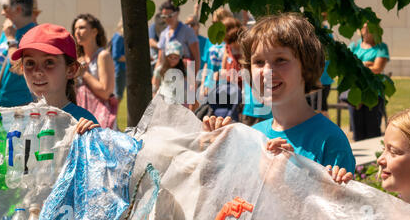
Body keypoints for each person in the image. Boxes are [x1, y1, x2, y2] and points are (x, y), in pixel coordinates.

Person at [203, 13, 356, 173]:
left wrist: (295, 172)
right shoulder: (254, 136)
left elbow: (334, 197)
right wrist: (216, 153)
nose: (268, 71)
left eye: (281, 60)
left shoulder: (330, 141)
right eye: (259, 62)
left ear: (306, 66)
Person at [10, 23, 99, 134]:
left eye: (49, 62)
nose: (37, 71)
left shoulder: (82, 122)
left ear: (71, 70)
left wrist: (90, 136)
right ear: (22, 68)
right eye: (30, 63)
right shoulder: (20, 120)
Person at [71, 13, 117, 129]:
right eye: (75, 29)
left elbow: (106, 91)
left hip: (100, 116)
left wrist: (84, 74)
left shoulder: (103, 56)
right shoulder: (79, 59)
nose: (77, 32)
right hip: (81, 115)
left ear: (94, 31)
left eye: (81, 28)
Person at [347, 22, 389, 141]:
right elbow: (347, 66)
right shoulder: (354, 45)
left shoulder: (381, 47)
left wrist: (359, 64)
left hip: (373, 91)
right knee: (357, 131)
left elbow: (377, 69)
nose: (367, 30)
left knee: (372, 130)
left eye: (370, 27)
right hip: (355, 91)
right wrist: (366, 64)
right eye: (365, 27)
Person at [0, 0, 35, 107]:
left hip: (22, 106)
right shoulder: (7, 32)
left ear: (18, 9)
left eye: (5, 8)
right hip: (0, 103)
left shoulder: (34, 34)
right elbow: (0, 65)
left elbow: (20, 67)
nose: (2, 13)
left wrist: (11, 39)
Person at [155, 0, 200, 78]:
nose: (167, 19)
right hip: (168, 76)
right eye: (164, 16)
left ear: (177, 13)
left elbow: (196, 57)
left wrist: (194, 80)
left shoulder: (187, 31)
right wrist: (155, 81)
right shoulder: (164, 34)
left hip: (184, 75)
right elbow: (160, 60)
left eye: (170, 16)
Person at [152, 40, 187, 106]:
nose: (172, 60)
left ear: (180, 58)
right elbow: (155, 86)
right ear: (166, 57)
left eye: (175, 58)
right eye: (170, 57)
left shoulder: (183, 71)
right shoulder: (160, 69)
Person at [110, 19, 126, 104]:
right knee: (117, 96)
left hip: (123, 69)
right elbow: (116, 56)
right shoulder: (119, 36)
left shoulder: (122, 36)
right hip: (119, 69)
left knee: (119, 96)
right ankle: (113, 116)